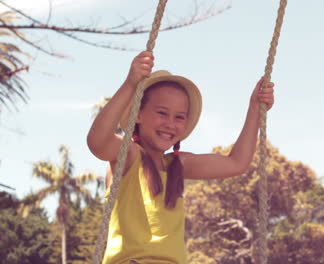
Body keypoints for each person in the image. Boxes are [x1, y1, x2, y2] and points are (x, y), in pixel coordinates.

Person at [87, 51, 275, 264]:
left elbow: (236, 163)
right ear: (137, 115)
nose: (170, 123)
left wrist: (254, 108)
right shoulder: (129, 155)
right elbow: (98, 142)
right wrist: (130, 84)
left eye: (179, 117)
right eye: (162, 113)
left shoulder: (178, 164)